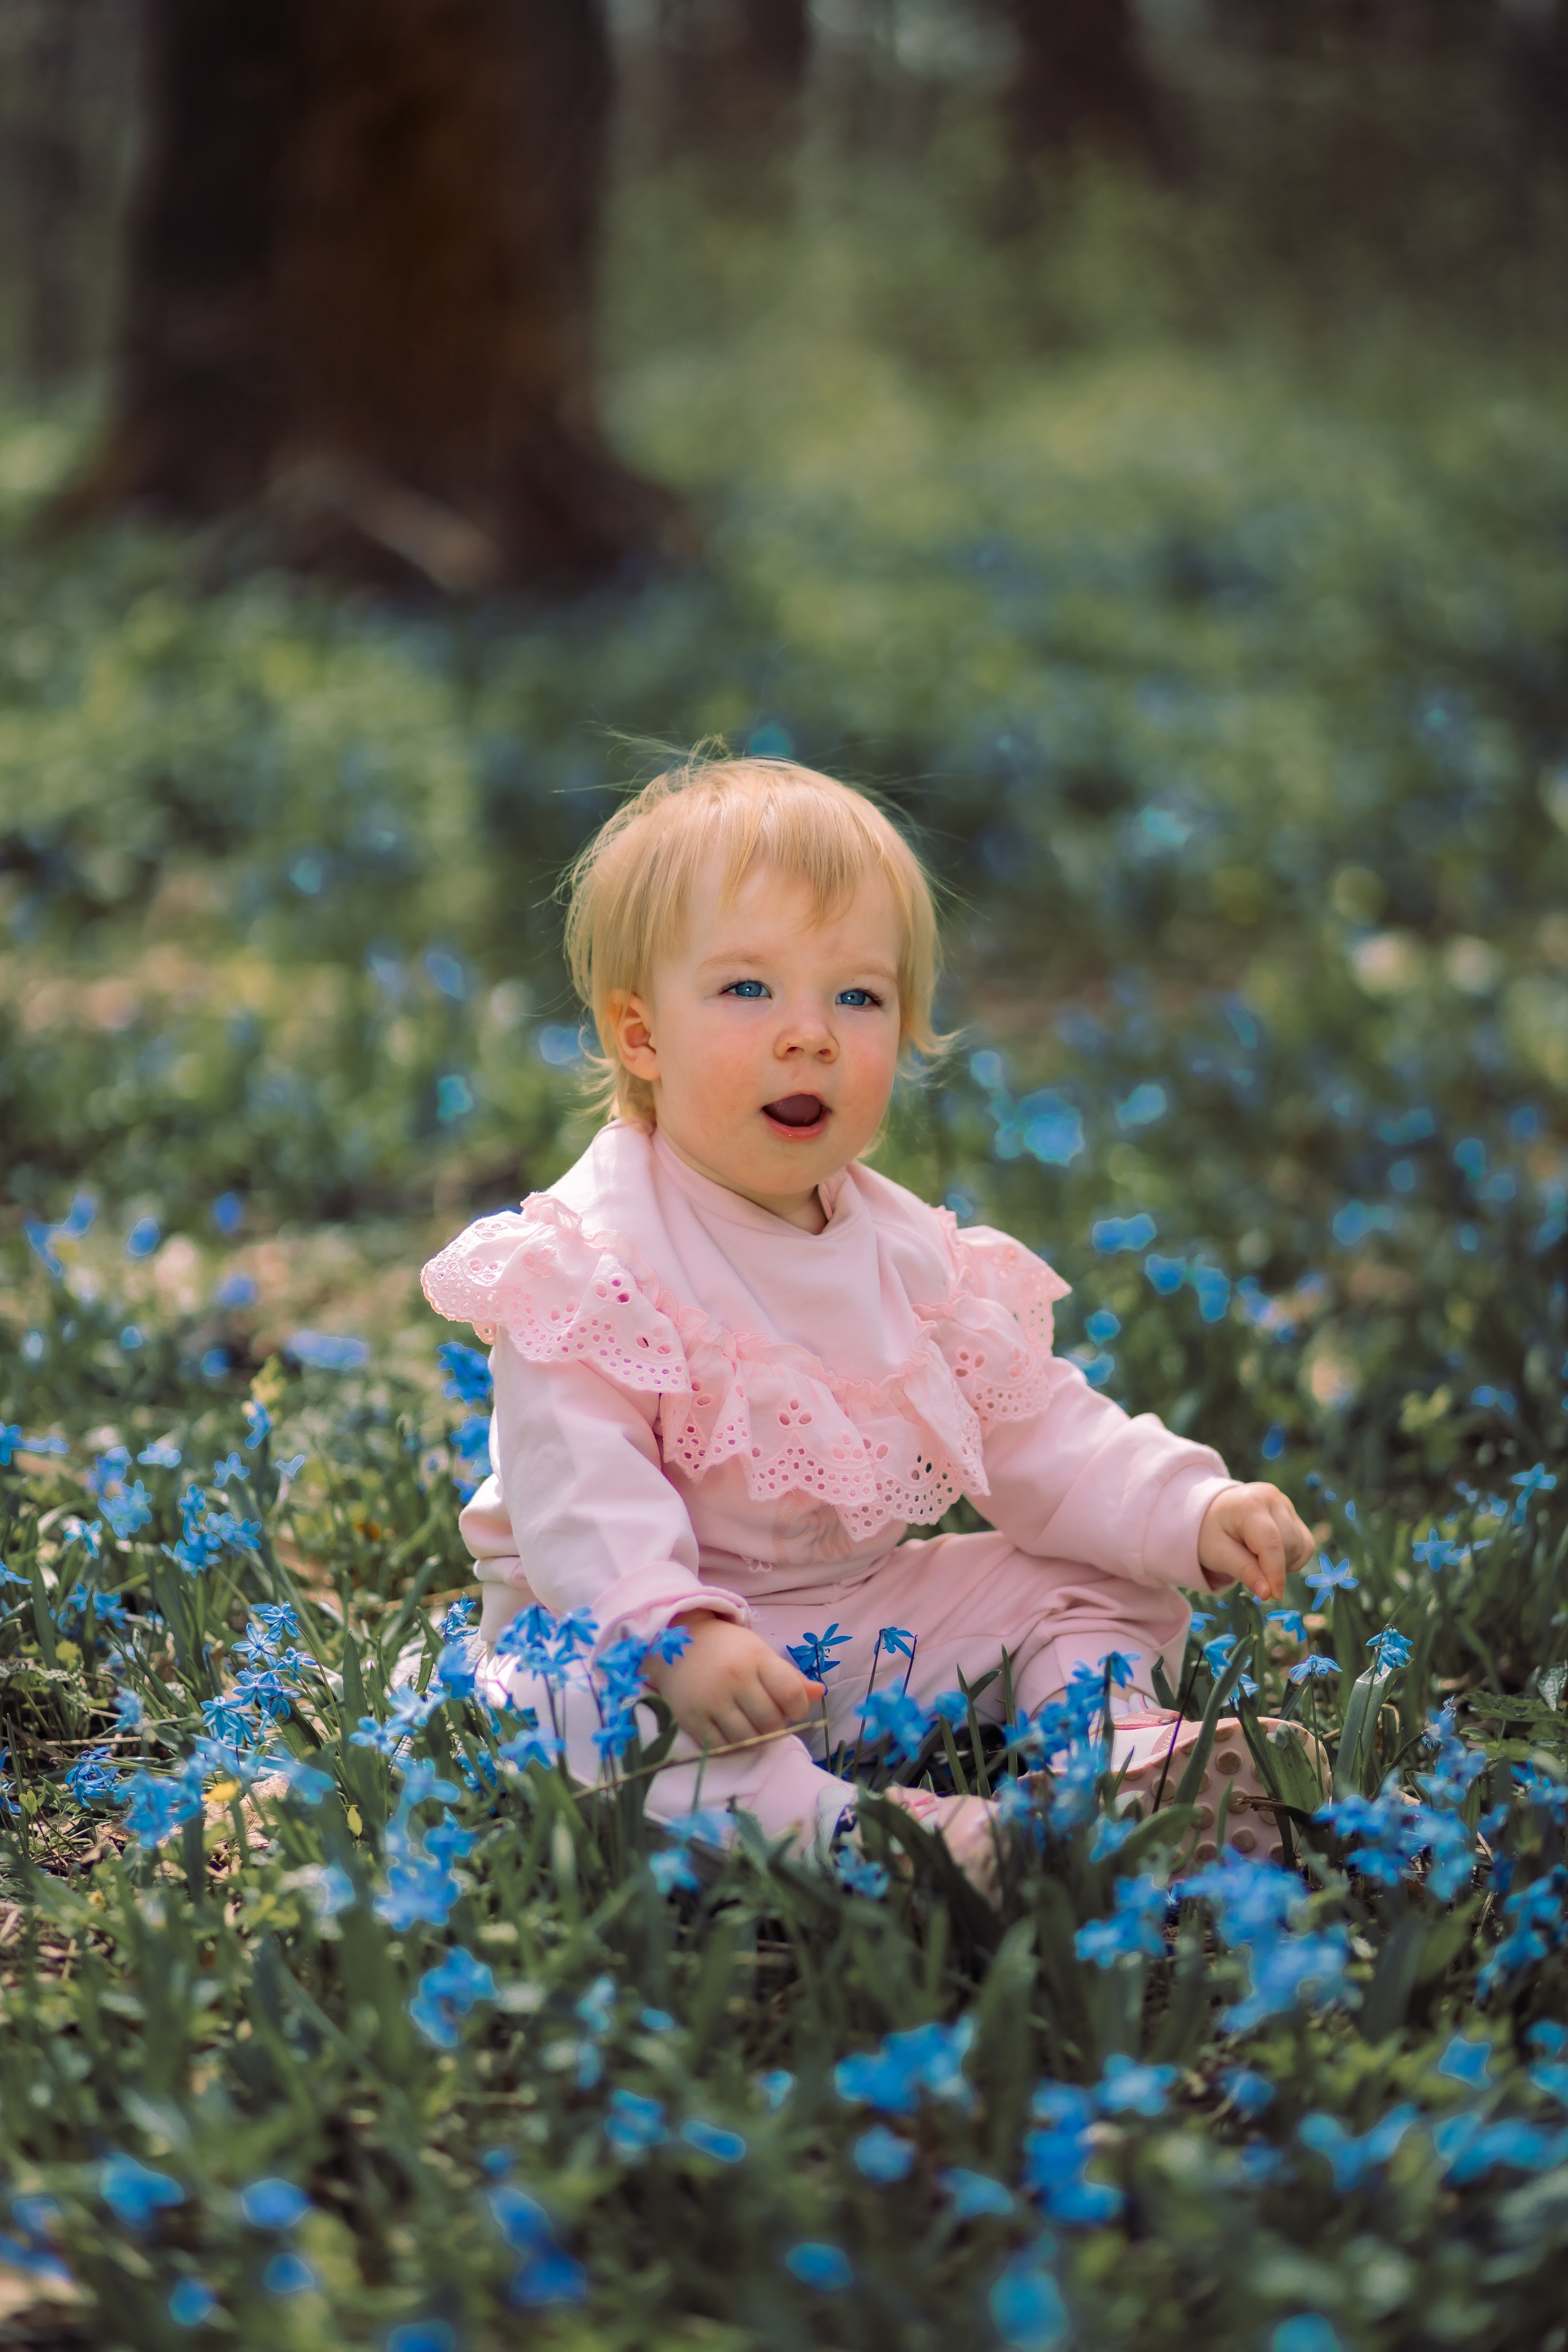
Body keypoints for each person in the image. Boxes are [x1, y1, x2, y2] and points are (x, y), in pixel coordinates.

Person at [423, 754, 1316, 1891]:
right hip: (625, 1635)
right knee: (597, 1721)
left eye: (858, 995)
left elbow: (1037, 1428)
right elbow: (580, 1496)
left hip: (853, 1625)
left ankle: (1121, 1755)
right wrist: (675, 1633)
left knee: (1108, 1581)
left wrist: (1191, 1504)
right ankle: (894, 1841)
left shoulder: (907, 1253)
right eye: (749, 990)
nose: (811, 1034)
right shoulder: (593, 1258)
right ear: (642, 1037)